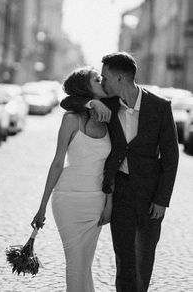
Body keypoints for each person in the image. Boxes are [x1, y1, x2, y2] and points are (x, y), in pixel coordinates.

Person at [61, 52, 179, 292]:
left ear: (120, 78)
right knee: (124, 260)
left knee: (143, 260)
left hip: (150, 198)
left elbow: (171, 158)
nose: (102, 82)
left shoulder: (160, 106)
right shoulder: (109, 106)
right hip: (121, 193)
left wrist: (161, 200)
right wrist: (90, 102)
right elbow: (67, 102)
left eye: (105, 77)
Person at [31, 66, 113, 292]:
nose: (103, 81)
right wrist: (42, 207)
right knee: (75, 266)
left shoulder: (110, 116)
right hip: (68, 201)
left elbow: (113, 167)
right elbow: (57, 163)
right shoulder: (71, 120)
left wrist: (109, 203)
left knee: (85, 267)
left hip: (96, 202)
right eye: (97, 79)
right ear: (86, 89)